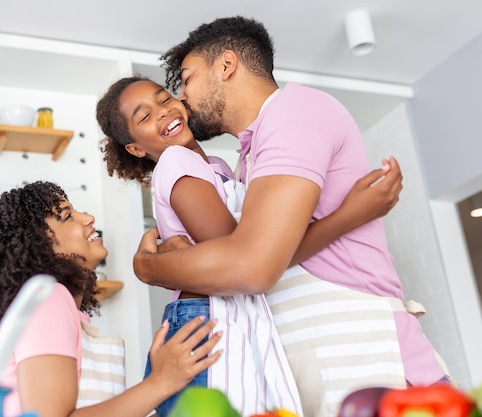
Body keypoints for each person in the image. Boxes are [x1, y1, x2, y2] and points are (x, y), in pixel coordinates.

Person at [132, 16, 450, 417]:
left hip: (364, 350)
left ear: (226, 66)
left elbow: (252, 265)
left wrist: (150, 267)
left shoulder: (293, 113)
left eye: (188, 79)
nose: (183, 98)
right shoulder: (247, 156)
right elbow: (263, 252)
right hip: (319, 356)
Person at [97, 77, 404, 417]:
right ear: (136, 149)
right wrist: (349, 215)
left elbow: (262, 249)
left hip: (232, 313)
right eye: (144, 116)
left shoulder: (217, 167)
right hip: (206, 322)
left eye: (164, 98)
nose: (164, 111)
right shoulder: (175, 162)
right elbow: (245, 257)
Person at [0, 181, 223, 417]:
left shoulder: (59, 309)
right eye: (67, 216)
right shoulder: (49, 302)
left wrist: (161, 385)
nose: (88, 217)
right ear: (38, 244)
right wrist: (161, 381)